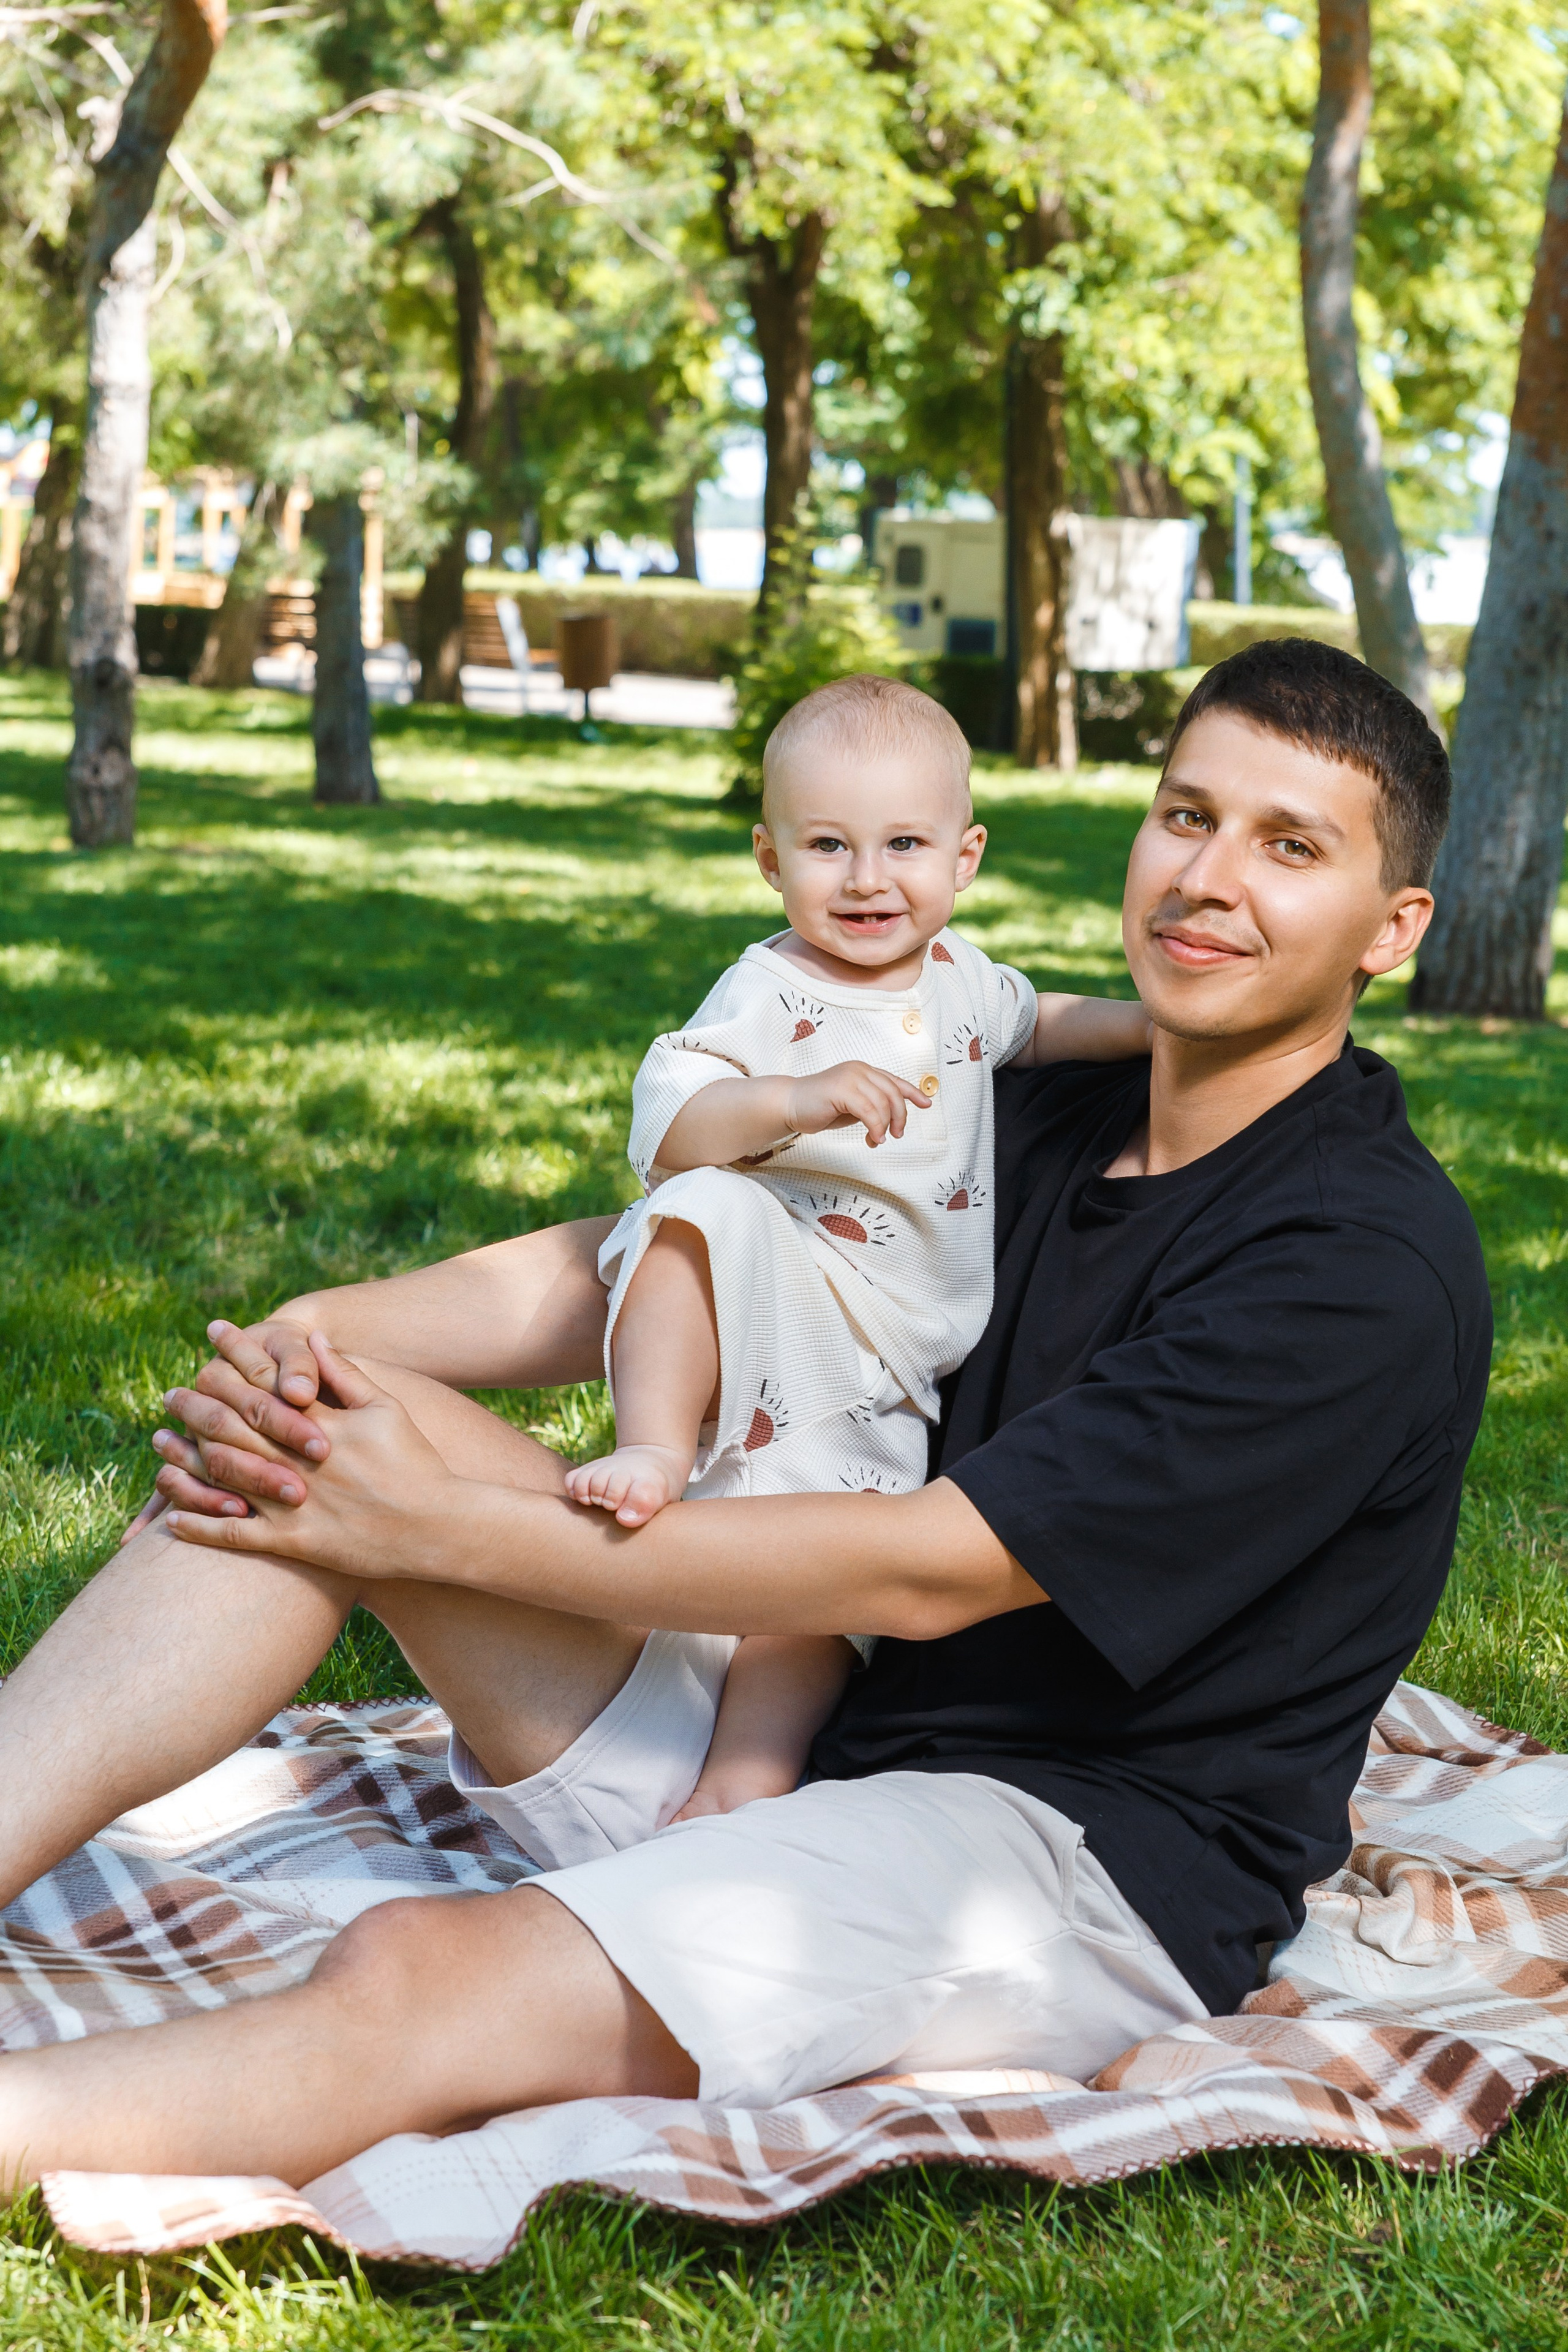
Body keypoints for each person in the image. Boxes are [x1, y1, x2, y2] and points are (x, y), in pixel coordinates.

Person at [0, 638, 1489, 2192]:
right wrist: (315, 1335)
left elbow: (929, 1568)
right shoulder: (1020, 1094)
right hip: (790, 1726)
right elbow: (671, 1249)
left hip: (1059, 1855)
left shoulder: (1354, 1264)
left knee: (415, 1971)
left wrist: (440, 1528)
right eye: (1187, 816)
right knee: (306, 1433)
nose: (1206, 878)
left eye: (1287, 845)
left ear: (1391, 930)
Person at [562, 673, 1149, 1830]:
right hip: (780, 1284)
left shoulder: (965, 984)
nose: (868, 878)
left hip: (892, 1353)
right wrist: (795, 1097)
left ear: (966, 856)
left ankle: (746, 1778)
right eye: (828, 845)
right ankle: (653, 1445)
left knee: (818, 1588)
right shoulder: (771, 990)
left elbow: (1049, 1025)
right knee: (700, 1212)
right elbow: (674, 1128)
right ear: (771, 859)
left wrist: (1159, 1026)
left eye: (904, 844)